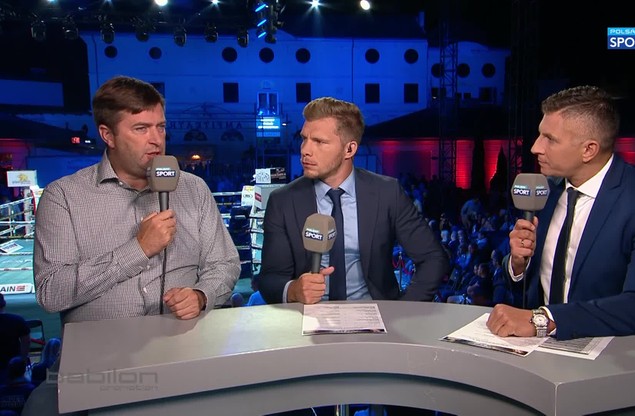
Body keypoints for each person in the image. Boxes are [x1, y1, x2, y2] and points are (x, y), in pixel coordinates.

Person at [486, 86, 635, 341]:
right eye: (539, 135)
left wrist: (545, 320)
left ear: (588, 150)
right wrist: (517, 265)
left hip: (616, 355)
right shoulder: (545, 193)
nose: (535, 147)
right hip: (542, 352)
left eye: (550, 139)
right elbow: (528, 287)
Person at [33, 76, 241, 324]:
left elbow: (224, 263)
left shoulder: (194, 189)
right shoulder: (63, 197)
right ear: (108, 135)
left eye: (160, 127)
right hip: (101, 346)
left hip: (184, 339)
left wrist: (201, 295)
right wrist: (138, 249)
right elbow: (51, 292)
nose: (157, 139)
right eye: (141, 128)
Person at [259, 96, 448, 303]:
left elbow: (433, 258)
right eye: (304, 138)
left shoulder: (387, 193)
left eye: (319, 142)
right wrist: (293, 290)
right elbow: (270, 278)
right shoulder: (283, 201)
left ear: (349, 149)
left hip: (376, 312)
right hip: (309, 315)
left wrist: (402, 311)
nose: (305, 150)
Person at [0, 294, 30, 385]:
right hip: (13, 364)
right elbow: (26, 341)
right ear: (4, 303)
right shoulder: (17, 320)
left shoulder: (17, 320)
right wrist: (23, 360)